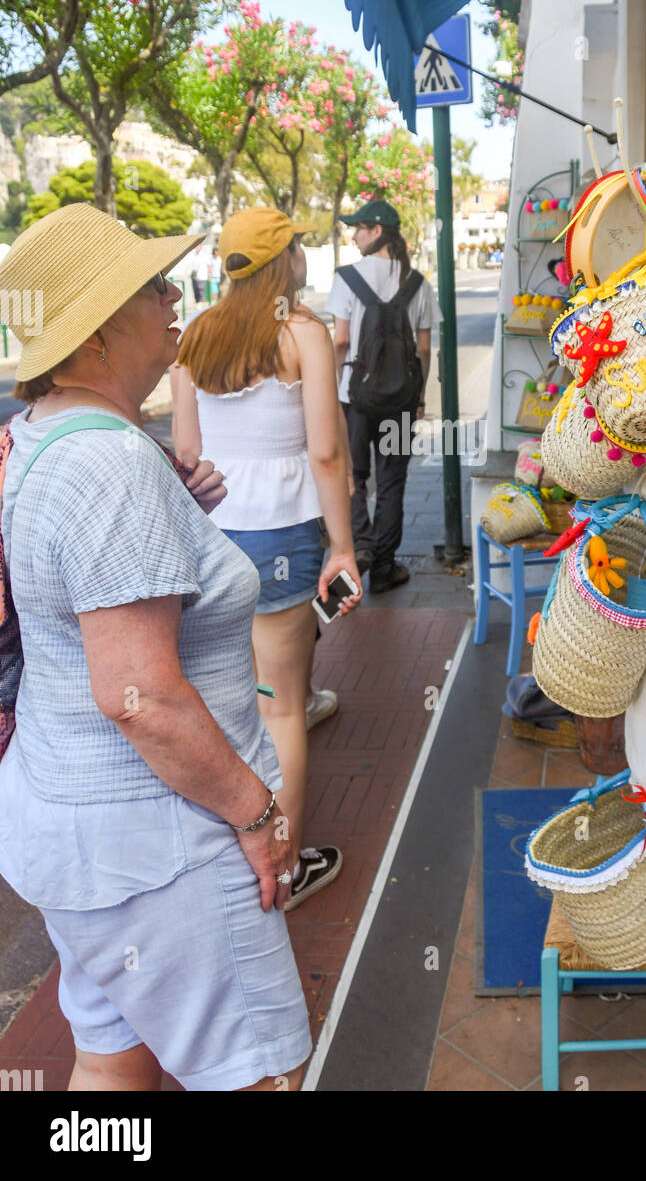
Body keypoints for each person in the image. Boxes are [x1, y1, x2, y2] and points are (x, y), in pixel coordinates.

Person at [0, 202, 311, 1092]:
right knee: (260, 1077)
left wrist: (175, 518)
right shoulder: (110, 464)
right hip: (157, 849)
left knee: (109, 1058)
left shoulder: (41, 434)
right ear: (94, 334)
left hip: (66, 831)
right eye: (150, 286)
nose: (176, 294)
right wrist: (256, 813)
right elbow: (140, 696)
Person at [171, 208, 361, 907]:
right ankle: (283, 869)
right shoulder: (303, 332)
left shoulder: (195, 335)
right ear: (288, 260)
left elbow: (188, 456)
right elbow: (326, 450)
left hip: (215, 537)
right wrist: (342, 545)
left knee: (229, 699)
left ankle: (231, 854)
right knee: (283, 707)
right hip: (286, 534)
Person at [325, 199, 441, 594]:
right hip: (401, 402)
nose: (354, 235)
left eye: (358, 228)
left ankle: (362, 546)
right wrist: (419, 392)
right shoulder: (418, 283)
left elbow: (340, 340)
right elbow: (425, 349)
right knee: (391, 481)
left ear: (377, 231)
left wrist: (331, 385)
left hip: (353, 398)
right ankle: (385, 567)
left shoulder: (346, 278)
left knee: (354, 476)